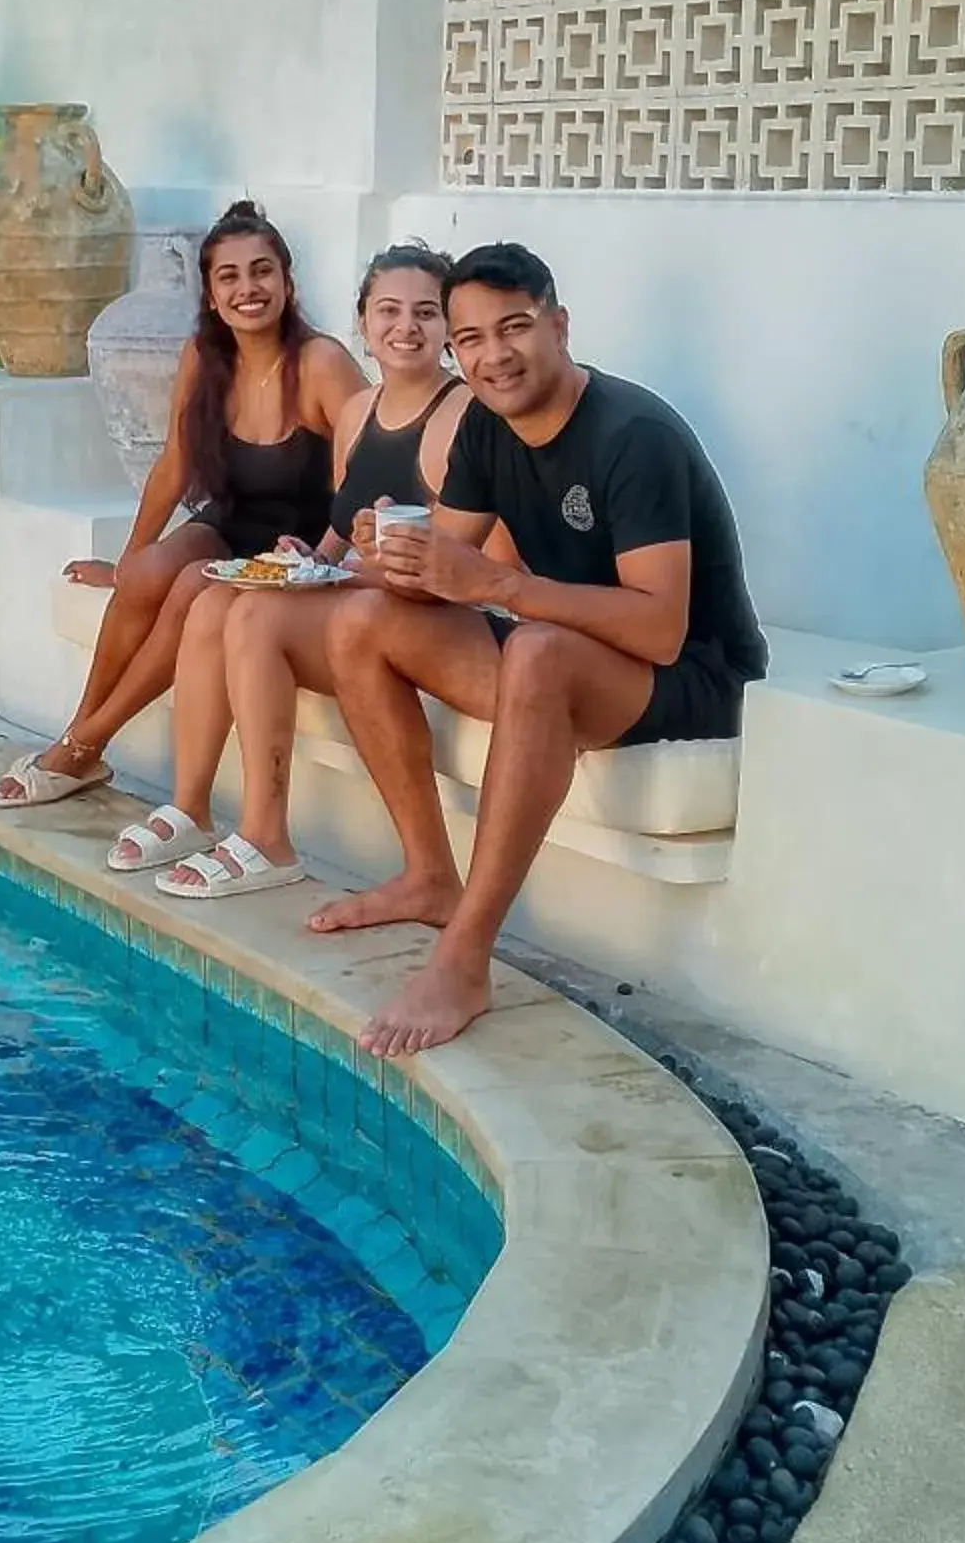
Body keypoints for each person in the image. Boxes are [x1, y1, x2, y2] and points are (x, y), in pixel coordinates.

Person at [310, 242, 767, 1055]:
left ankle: (466, 955)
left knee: (539, 652)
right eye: (472, 339)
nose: (494, 355)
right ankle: (427, 875)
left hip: (688, 680)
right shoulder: (486, 430)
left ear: (558, 325)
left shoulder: (636, 435)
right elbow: (442, 570)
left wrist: (495, 585)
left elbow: (661, 629)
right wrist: (393, 556)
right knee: (362, 621)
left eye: (514, 327)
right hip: (569, 653)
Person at [108, 245, 470, 896]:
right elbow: (342, 524)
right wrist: (314, 559)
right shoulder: (360, 413)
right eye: (388, 311)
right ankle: (192, 807)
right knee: (219, 595)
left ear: (448, 328)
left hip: (416, 614)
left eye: (426, 312)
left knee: (251, 612)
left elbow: (459, 554)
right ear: (363, 321)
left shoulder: (463, 416)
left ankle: (267, 837)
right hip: (360, 597)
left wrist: (345, 571)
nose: (406, 327)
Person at [0, 201, 363, 809]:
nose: (248, 288)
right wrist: (129, 564)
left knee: (189, 583)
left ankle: (85, 744)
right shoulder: (205, 357)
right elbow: (175, 464)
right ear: (211, 296)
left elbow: (367, 474)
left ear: (288, 283)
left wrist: (327, 562)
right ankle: (78, 739)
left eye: (262, 271)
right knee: (156, 573)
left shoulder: (322, 364)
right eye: (230, 276)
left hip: (297, 552)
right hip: (231, 524)